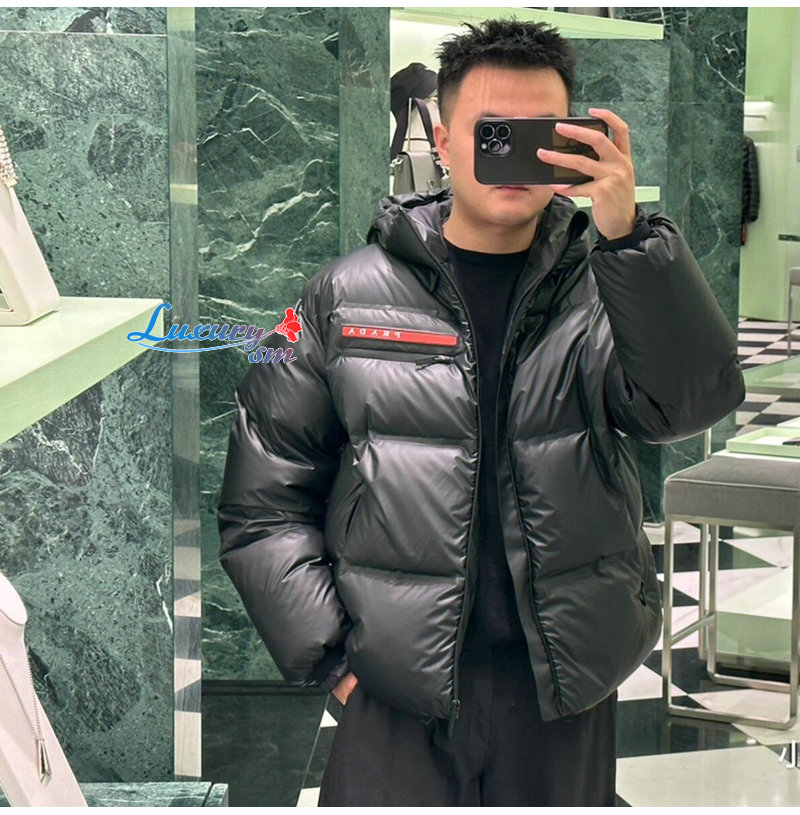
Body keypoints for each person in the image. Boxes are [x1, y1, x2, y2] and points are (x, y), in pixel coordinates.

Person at [217, 18, 745, 806]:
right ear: (443, 136)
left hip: (562, 688)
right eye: (493, 132)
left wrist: (631, 239)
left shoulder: (610, 288)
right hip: (394, 692)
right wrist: (334, 658)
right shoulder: (343, 296)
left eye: (538, 134)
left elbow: (689, 403)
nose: (513, 156)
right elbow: (262, 499)